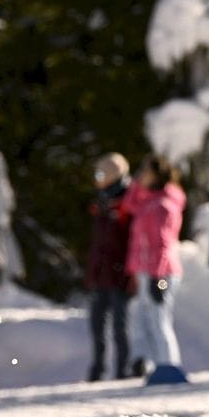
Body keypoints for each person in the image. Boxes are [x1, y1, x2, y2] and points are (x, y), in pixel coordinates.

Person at [121, 154, 186, 377]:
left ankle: (169, 365)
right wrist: (136, 184)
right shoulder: (147, 201)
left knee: (159, 317)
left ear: (157, 175)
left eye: (146, 172)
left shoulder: (163, 204)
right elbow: (128, 205)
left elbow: (162, 244)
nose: (142, 175)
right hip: (145, 271)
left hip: (161, 273)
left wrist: (158, 277)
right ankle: (146, 363)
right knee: (143, 318)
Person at [84, 153, 133, 381]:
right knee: (97, 325)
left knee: (120, 327)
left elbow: (131, 240)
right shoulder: (101, 201)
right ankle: (98, 370)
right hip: (100, 273)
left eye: (101, 174)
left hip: (120, 273)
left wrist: (130, 272)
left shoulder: (129, 200)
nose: (97, 179)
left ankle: (123, 370)